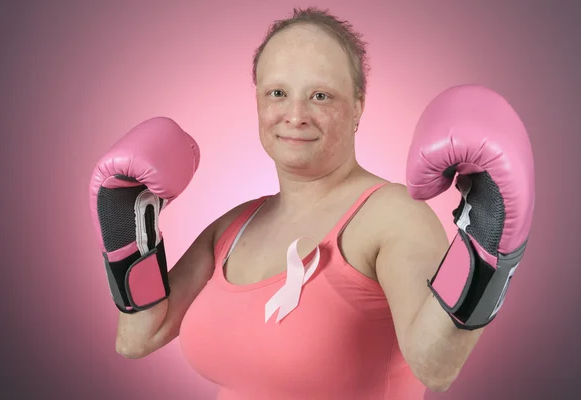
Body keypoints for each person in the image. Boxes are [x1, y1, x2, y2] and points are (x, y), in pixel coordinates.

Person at [88, 7, 535, 400]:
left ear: (358, 106)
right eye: (277, 93)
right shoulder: (235, 225)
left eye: (320, 95)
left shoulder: (391, 217)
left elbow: (435, 367)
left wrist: (489, 229)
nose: (295, 114)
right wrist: (124, 224)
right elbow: (138, 338)